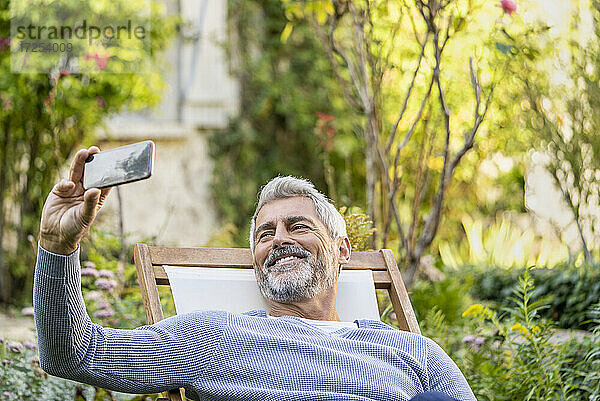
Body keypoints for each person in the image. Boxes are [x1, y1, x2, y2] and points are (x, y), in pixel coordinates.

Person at [34, 146, 477, 401]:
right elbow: (75, 354)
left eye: (298, 226)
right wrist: (58, 248)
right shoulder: (212, 337)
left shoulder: (410, 351)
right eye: (265, 234)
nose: (279, 239)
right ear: (255, 261)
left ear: (343, 250)